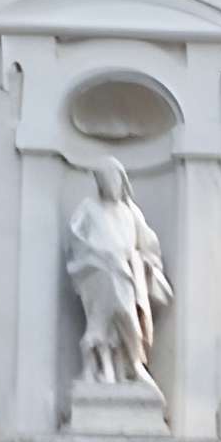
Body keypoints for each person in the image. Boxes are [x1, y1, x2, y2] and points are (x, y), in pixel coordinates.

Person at [66, 159, 172, 388]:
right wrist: (98, 254)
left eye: (114, 179)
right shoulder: (88, 208)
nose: (111, 185)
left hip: (125, 274)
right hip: (96, 273)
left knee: (125, 314)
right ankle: (111, 368)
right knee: (104, 319)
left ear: (122, 181)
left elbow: (148, 245)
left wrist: (145, 263)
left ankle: (132, 363)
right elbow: (76, 239)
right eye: (105, 180)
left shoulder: (130, 212)